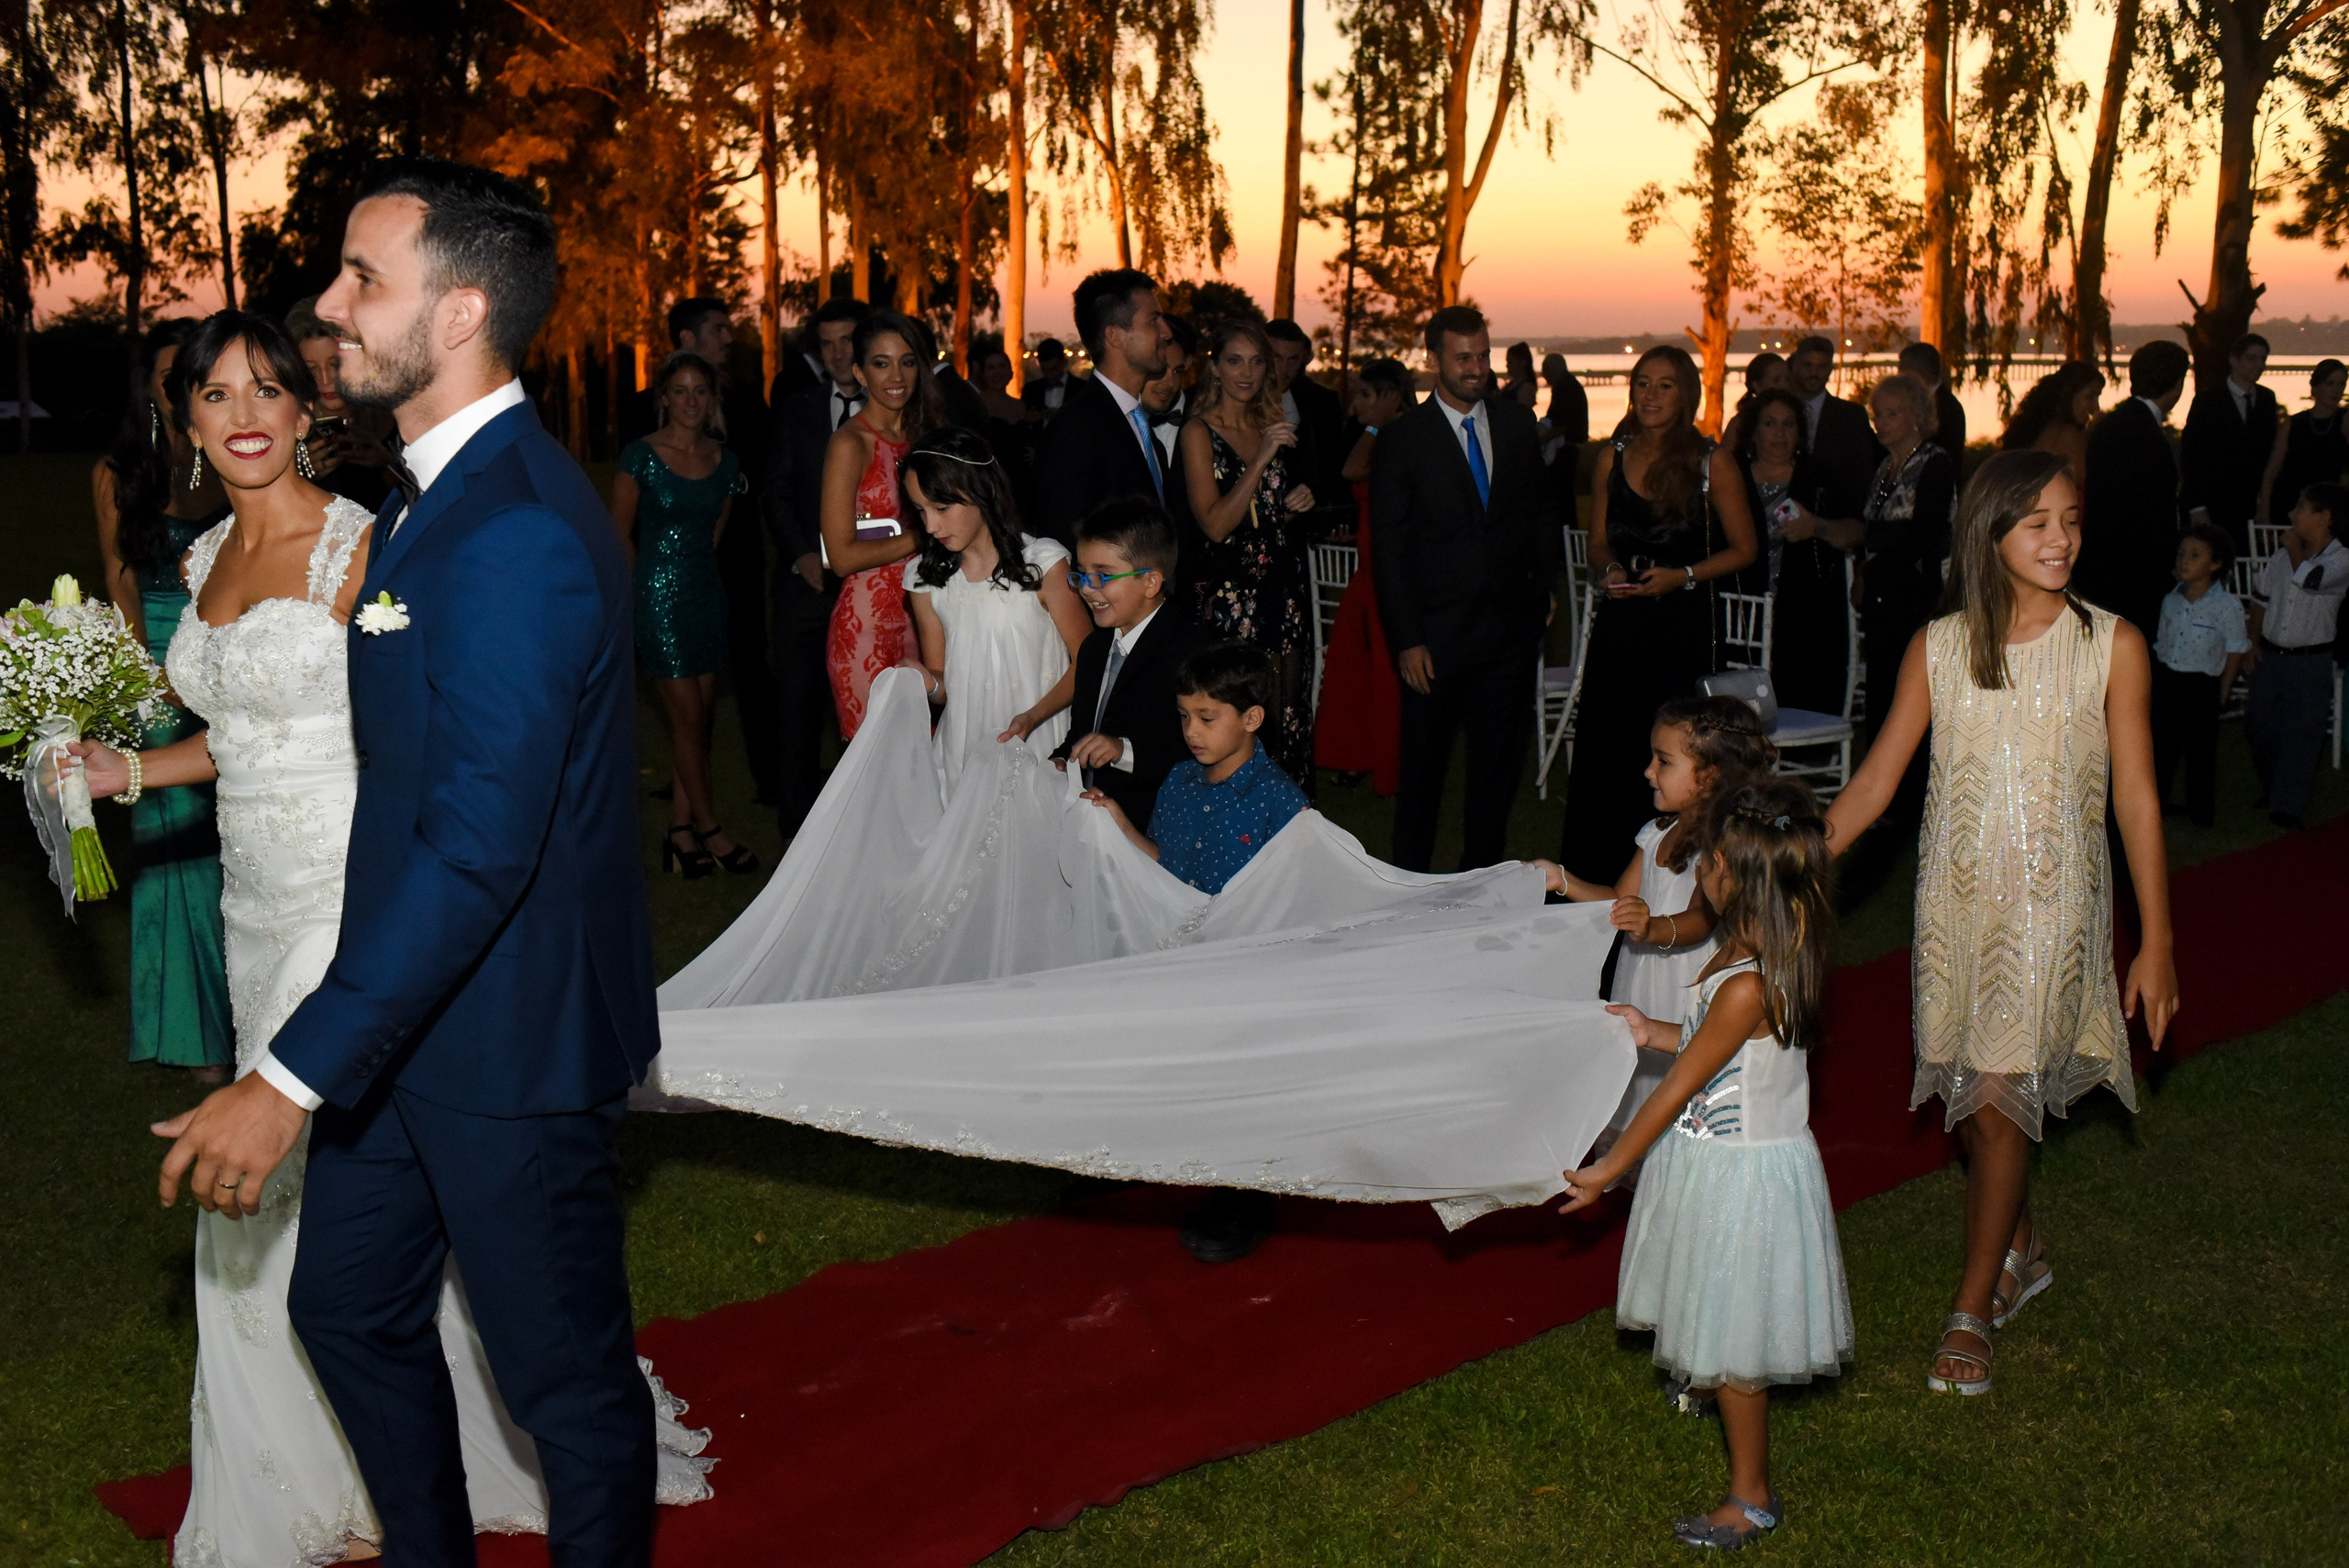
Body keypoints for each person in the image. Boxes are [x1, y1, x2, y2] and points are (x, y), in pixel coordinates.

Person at [125, 161, 708, 1568]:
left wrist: (282, 1076)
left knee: (563, 1381)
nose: (327, 306)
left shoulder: (513, 527)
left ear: (457, 313)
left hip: (506, 1044)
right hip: (399, 1026)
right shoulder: (426, 499)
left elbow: (477, 845)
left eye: (359, 281)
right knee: (344, 1303)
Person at [1824, 448, 2178, 1398]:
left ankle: (1972, 1307)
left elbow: (2137, 799)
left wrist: (2158, 937)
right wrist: (1787, 869)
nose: (2060, 538)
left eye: (2069, 518)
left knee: (1992, 1093)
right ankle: (2021, 1239)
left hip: (2056, 906)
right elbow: (1873, 783)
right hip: (1955, 903)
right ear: (1988, 534)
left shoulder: (2112, 644)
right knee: (1973, 1097)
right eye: (2037, 523)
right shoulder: (1937, 646)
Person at [1559, 779, 1853, 1552]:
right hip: (1718, 1160)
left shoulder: (1749, 984)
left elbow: (1677, 1089)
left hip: (1740, 1178)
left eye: (1706, 865)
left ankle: (1751, 1494)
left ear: (1730, 872)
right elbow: (1695, 1046)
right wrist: (1641, 1026)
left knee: (1736, 1349)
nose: (1696, 878)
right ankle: (1716, 1405)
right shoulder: (1750, 950)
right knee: (1717, 1322)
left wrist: (1609, 1165)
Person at [1085, 640, 1311, 1266]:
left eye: (1207, 718)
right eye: (1184, 716)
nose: (1191, 731)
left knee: (1239, 1084)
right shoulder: (1180, 783)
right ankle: (1155, 1159)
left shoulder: (1281, 801)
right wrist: (1120, 827)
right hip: (1186, 956)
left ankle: (1245, 1199)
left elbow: (1300, 893)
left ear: (1252, 719)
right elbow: (1168, 866)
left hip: (1250, 970)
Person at [92, 317, 234, 1084]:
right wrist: (138, 683)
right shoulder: (120, 471)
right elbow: (118, 582)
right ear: (151, 385)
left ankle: (248, 1013)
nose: (180, 387)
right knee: (180, 865)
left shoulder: (226, 461)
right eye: (169, 374)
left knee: (235, 851)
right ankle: (199, 1033)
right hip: (157, 675)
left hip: (229, 664)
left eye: (193, 375)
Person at [1371, 306, 1563, 873]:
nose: (1476, 368)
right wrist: (1407, 639)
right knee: (1423, 775)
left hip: (1508, 632)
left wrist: (1544, 586)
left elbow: (1539, 513)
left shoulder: (1515, 424)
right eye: (1463, 358)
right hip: (1434, 641)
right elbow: (1390, 550)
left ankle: (1484, 880)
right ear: (1433, 361)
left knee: (1496, 773)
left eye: (1483, 355)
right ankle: (1410, 884)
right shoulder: (1403, 440)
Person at [1558, 344, 1757, 882]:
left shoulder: (1713, 463)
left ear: (1686, 394)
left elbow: (1745, 548)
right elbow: (1596, 543)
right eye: (1643, 382)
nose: (1651, 394)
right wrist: (1609, 571)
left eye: (1665, 384)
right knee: (1609, 754)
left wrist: (1683, 576)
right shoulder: (1610, 457)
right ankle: (1594, 881)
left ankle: (1671, 882)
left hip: (1681, 628)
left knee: (1677, 753)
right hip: (1622, 627)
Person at [1535, 696, 1776, 1029]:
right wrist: (1562, 880)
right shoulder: (1656, 834)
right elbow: (1620, 901)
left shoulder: (1722, 847)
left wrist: (1650, 928)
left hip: (1682, 985)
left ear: (1708, 777)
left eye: (1663, 761)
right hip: (1639, 976)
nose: (1649, 771)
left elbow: (1701, 920)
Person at [627, 297, 781, 807]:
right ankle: (701, 824)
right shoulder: (641, 419)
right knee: (686, 710)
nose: (728, 338)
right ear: (687, 338)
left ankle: (758, 785)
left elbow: (755, 479)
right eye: (717, 329)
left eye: (699, 393)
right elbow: (628, 513)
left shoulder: (744, 407)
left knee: (740, 681)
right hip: (661, 578)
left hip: (726, 570)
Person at [612, 350, 757, 878]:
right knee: (690, 719)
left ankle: (678, 832)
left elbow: (714, 535)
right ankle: (710, 829)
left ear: (711, 398)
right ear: (664, 399)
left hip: (705, 595)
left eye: (701, 391)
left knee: (697, 719)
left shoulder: (727, 462)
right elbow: (618, 533)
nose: (691, 401)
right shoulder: (640, 456)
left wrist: (697, 583)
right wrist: (645, 594)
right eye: (680, 391)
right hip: (657, 597)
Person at [903, 428, 1091, 795]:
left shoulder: (1042, 563)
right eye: (920, 511)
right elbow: (944, 685)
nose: (930, 525)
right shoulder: (925, 579)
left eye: (941, 508)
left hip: (1039, 737)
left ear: (983, 490)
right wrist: (928, 683)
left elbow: (1089, 660)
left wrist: (1033, 716)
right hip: (966, 747)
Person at [1177, 318, 1319, 783]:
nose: (1248, 372)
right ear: (1214, 367)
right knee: (1236, 720)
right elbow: (1216, 525)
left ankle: (1288, 837)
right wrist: (1259, 461)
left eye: (1259, 361)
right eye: (1235, 360)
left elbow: (1261, 515)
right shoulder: (1198, 431)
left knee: (1286, 717)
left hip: (1283, 589)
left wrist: (1295, 504)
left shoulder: (1268, 425)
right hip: (1233, 599)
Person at [763, 295, 870, 840]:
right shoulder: (798, 408)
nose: (835, 353)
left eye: (847, 341)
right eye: (825, 344)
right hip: (807, 594)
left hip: (878, 597)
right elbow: (776, 490)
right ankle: (796, 850)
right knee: (798, 723)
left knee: (873, 728)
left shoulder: (895, 411)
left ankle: (866, 839)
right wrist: (801, 554)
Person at [1052, 496, 1218, 832]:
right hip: (1090, 823)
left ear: (1151, 582)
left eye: (1104, 575)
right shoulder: (1094, 648)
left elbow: (1196, 753)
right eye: (1082, 575)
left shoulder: (1192, 652)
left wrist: (1121, 750)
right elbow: (1081, 734)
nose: (1087, 588)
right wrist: (1059, 760)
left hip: (1154, 826)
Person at [821, 309, 941, 739]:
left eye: (907, 361)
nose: (896, 375)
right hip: (865, 631)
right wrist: (922, 535)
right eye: (881, 363)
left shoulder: (928, 440)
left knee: (924, 776)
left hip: (927, 625)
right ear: (859, 372)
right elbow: (839, 557)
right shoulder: (850, 443)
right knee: (871, 784)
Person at [1856, 373, 1957, 822]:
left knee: (1912, 696)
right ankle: (1882, 798)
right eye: (1878, 414)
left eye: (1891, 414)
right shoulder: (1884, 467)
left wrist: (1861, 533)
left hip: (1918, 598)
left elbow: (1927, 535)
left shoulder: (1935, 463)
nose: (1881, 423)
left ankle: (1914, 801)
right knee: (1880, 692)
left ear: (1917, 416)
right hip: (1883, 598)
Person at [1313, 357, 1409, 795]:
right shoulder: (1380, 435)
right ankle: (1356, 757)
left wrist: (1377, 426)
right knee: (1351, 669)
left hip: (1391, 571)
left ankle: (1388, 764)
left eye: (1366, 395)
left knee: (1386, 674)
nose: (1356, 404)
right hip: (1365, 569)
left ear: (1392, 395)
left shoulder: (1404, 437)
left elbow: (1353, 472)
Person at [1736, 385, 1860, 711]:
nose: (1779, 434)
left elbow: (1856, 531)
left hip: (1806, 615)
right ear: (1753, 431)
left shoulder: (1818, 476)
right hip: (1740, 611)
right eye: (1770, 424)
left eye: (1789, 424)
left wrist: (1816, 526)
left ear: (1801, 432)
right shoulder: (1732, 475)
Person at [1033, 271, 1172, 546]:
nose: (1166, 333)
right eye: (1154, 320)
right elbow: (1062, 545)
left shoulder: (1140, 424)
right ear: (1115, 337)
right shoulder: (1074, 431)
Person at [2245, 481, 2349, 830]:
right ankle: (2276, 788)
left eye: (2303, 507)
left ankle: (2287, 805)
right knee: (2260, 725)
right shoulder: (2280, 557)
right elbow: (2261, 600)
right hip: (2271, 656)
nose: (2294, 514)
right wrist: (2252, 642)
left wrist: (2292, 549)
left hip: (2309, 660)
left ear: (2325, 517)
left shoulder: (2343, 559)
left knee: (2302, 732)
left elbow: (2312, 580)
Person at [2077, 339, 2190, 643]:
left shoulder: (2115, 424)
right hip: (2132, 572)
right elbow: (2151, 510)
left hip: (2104, 565)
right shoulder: (2144, 434)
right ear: (2177, 384)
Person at [2151, 522, 2249, 828]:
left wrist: (2223, 688)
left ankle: (2202, 812)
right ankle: (2156, 805)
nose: (2184, 561)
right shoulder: (2172, 599)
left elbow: (2235, 647)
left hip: (2201, 684)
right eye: (2182, 554)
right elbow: (2163, 640)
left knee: (2201, 752)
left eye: (2195, 556)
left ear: (2215, 564)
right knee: (2162, 747)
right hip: (2169, 680)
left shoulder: (2226, 606)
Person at [284, 295, 393, 509]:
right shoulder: (287, 434)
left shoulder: (395, 420)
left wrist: (387, 466)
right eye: (311, 369)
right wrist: (299, 479)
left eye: (335, 365)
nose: (325, 380)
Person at [2182, 331, 2280, 549]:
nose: (2259, 365)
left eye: (2263, 359)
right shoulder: (2208, 401)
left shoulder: (2266, 399)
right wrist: (2197, 507)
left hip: (2251, 504)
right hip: (2214, 502)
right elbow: (2191, 456)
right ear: (2234, 360)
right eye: (2251, 358)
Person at [1787, 334, 1885, 519]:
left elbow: (1862, 475)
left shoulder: (1851, 416)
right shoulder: (1779, 411)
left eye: (1821, 367)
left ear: (1830, 370)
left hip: (1834, 520)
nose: (1814, 373)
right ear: (1795, 366)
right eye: (1807, 365)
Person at [1265, 317, 1347, 504]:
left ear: (1303, 358)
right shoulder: (1236, 401)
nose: (1285, 369)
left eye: (1293, 359)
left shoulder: (1321, 402)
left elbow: (1331, 466)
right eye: (1276, 357)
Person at [2260, 357, 2348, 524]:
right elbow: (2271, 473)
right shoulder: (2294, 424)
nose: (2336, 390)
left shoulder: (2345, 421)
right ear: (2316, 386)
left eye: (2341, 384)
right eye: (2330, 383)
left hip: (2329, 512)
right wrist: (2264, 514)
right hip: (2290, 505)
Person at [1999, 360, 2105, 481]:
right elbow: (2085, 483)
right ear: (2069, 393)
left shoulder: (2037, 430)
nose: (2096, 407)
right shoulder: (2069, 436)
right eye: (2090, 397)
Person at [1140, 313, 1196, 470]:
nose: (1169, 382)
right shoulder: (1112, 423)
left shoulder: (1206, 420)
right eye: (1159, 370)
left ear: (1188, 362)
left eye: (1177, 371)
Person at [1898, 340, 1968, 458]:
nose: (1899, 378)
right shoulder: (1934, 402)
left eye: (1903, 371)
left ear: (1920, 372)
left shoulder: (1947, 409)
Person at [1021, 336, 1071, 420]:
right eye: (1044, 370)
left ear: (1064, 363)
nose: (1049, 375)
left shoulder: (1082, 389)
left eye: (1053, 369)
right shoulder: (1030, 390)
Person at [1501, 340, 1541, 409]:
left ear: (1522, 363)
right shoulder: (1512, 384)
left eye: (1510, 362)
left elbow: (1522, 412)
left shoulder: (1526, 387)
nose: (1507, 365)